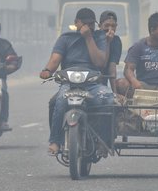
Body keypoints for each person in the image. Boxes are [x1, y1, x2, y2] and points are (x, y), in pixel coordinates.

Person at [40, 8, 114, 155]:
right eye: (84, 23)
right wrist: (47, 70)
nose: (88, 27)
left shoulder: (99, 37)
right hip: (70, 82)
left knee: (108, 100)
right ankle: (55, 141)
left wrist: (88, 38)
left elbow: (100, 62)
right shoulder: (65, 38)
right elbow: (55, 60)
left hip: (92, 83)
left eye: (91, 24)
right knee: (59, 101)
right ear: (76, 23)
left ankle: (102, 142)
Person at [116, 12, 158, 99]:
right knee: (120, 83)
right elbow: (128, 69)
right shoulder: (138, 46)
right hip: (142, 86)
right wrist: (134, 82)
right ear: (152, 30)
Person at [98, 10, 122, 92]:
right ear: (99, 25)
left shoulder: (116, 41)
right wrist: (107, 42)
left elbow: (112, 66)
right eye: (107, 25)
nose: (110, 29)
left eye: (113, 26)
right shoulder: (93, 38)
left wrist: (115, 93)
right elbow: (102, 64)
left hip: (102, 83)